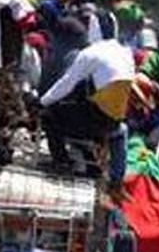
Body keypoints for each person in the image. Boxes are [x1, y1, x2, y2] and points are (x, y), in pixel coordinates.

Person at [39, 36, 135, 192]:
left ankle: (61, 162)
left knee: (50, 116)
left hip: (95, 123)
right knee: (117, 129)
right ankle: (114, 178)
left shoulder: (88, 54)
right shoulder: (125, 54)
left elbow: (67, 83)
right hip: (113, 124)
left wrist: (42, 102)